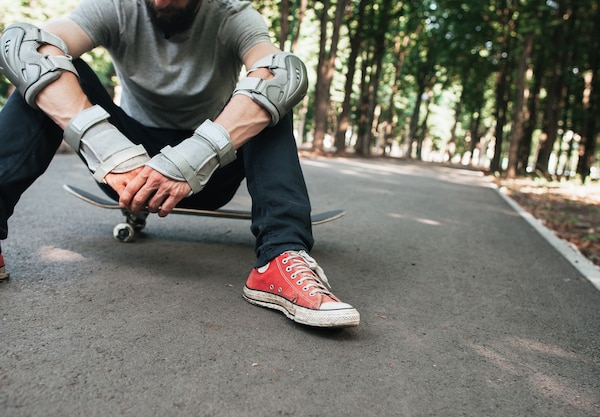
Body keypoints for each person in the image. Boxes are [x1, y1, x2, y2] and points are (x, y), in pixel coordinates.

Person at [0, 0, 360, 328]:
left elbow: (283, 75)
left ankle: (280, 257)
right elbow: (26, 45)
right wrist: (110, 151)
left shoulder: (232, 15)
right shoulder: (115, 7)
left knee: (271, 87)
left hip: (208, 171)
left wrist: (190, 160)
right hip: (124, 167)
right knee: (42, 68)